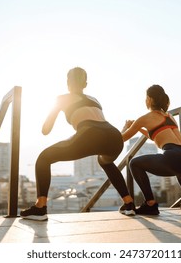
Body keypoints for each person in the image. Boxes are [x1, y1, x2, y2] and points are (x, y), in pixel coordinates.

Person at [20, 67, 135, 220]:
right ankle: (129, 203)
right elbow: (101, 126)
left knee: (44, 158)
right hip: (114, 136)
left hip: (89, 133)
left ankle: (40, 207)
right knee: (105, 162)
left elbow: (45, 130)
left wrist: (56, 108)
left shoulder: (62, 98)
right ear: (85, 84)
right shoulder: (95, 100)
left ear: (68, 83)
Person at [121, 84, 181, 215]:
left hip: (175, 156)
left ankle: (150, 203)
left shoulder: (145, 118)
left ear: (149, 99)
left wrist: (125, 128)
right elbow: (156, 135)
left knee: (134, 163)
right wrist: (141, 130)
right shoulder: (169, 117)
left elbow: (122, 138)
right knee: (180, 165)